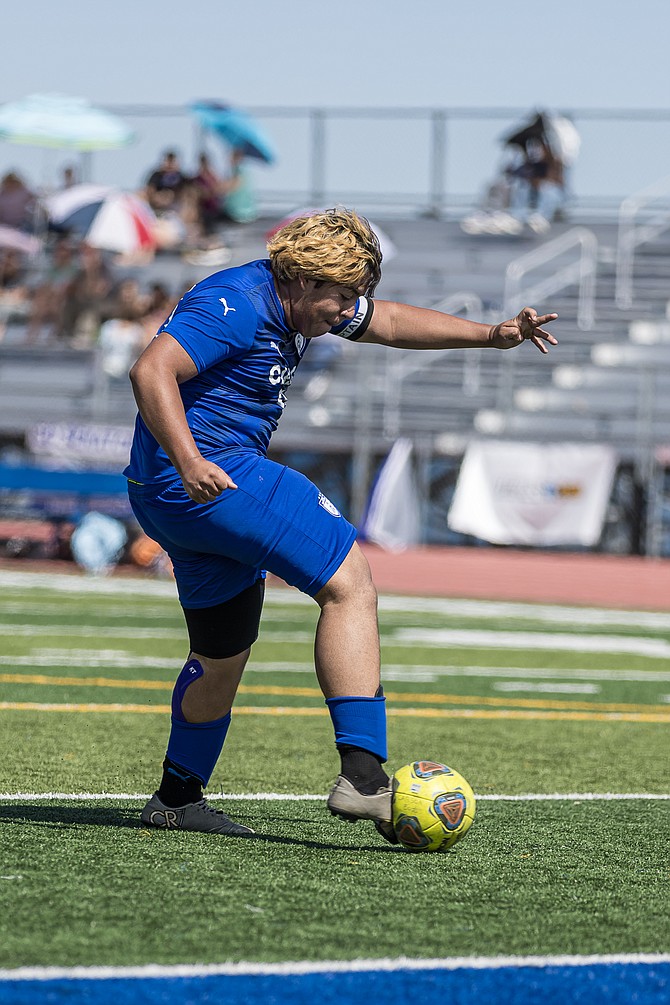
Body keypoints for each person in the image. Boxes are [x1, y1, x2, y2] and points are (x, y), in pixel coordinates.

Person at [125, 208, 558, 840]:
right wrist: (191, 460)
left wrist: (491, 334)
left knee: (221, 653)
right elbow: (150, 370)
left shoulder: (299, 295)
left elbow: (388, 322)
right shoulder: (237, 300)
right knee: (350, 584)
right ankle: (362, 775)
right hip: (207, 475)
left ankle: (176, 798)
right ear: (302, 279)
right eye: (343, 296)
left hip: (171, 491)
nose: (349, 309)